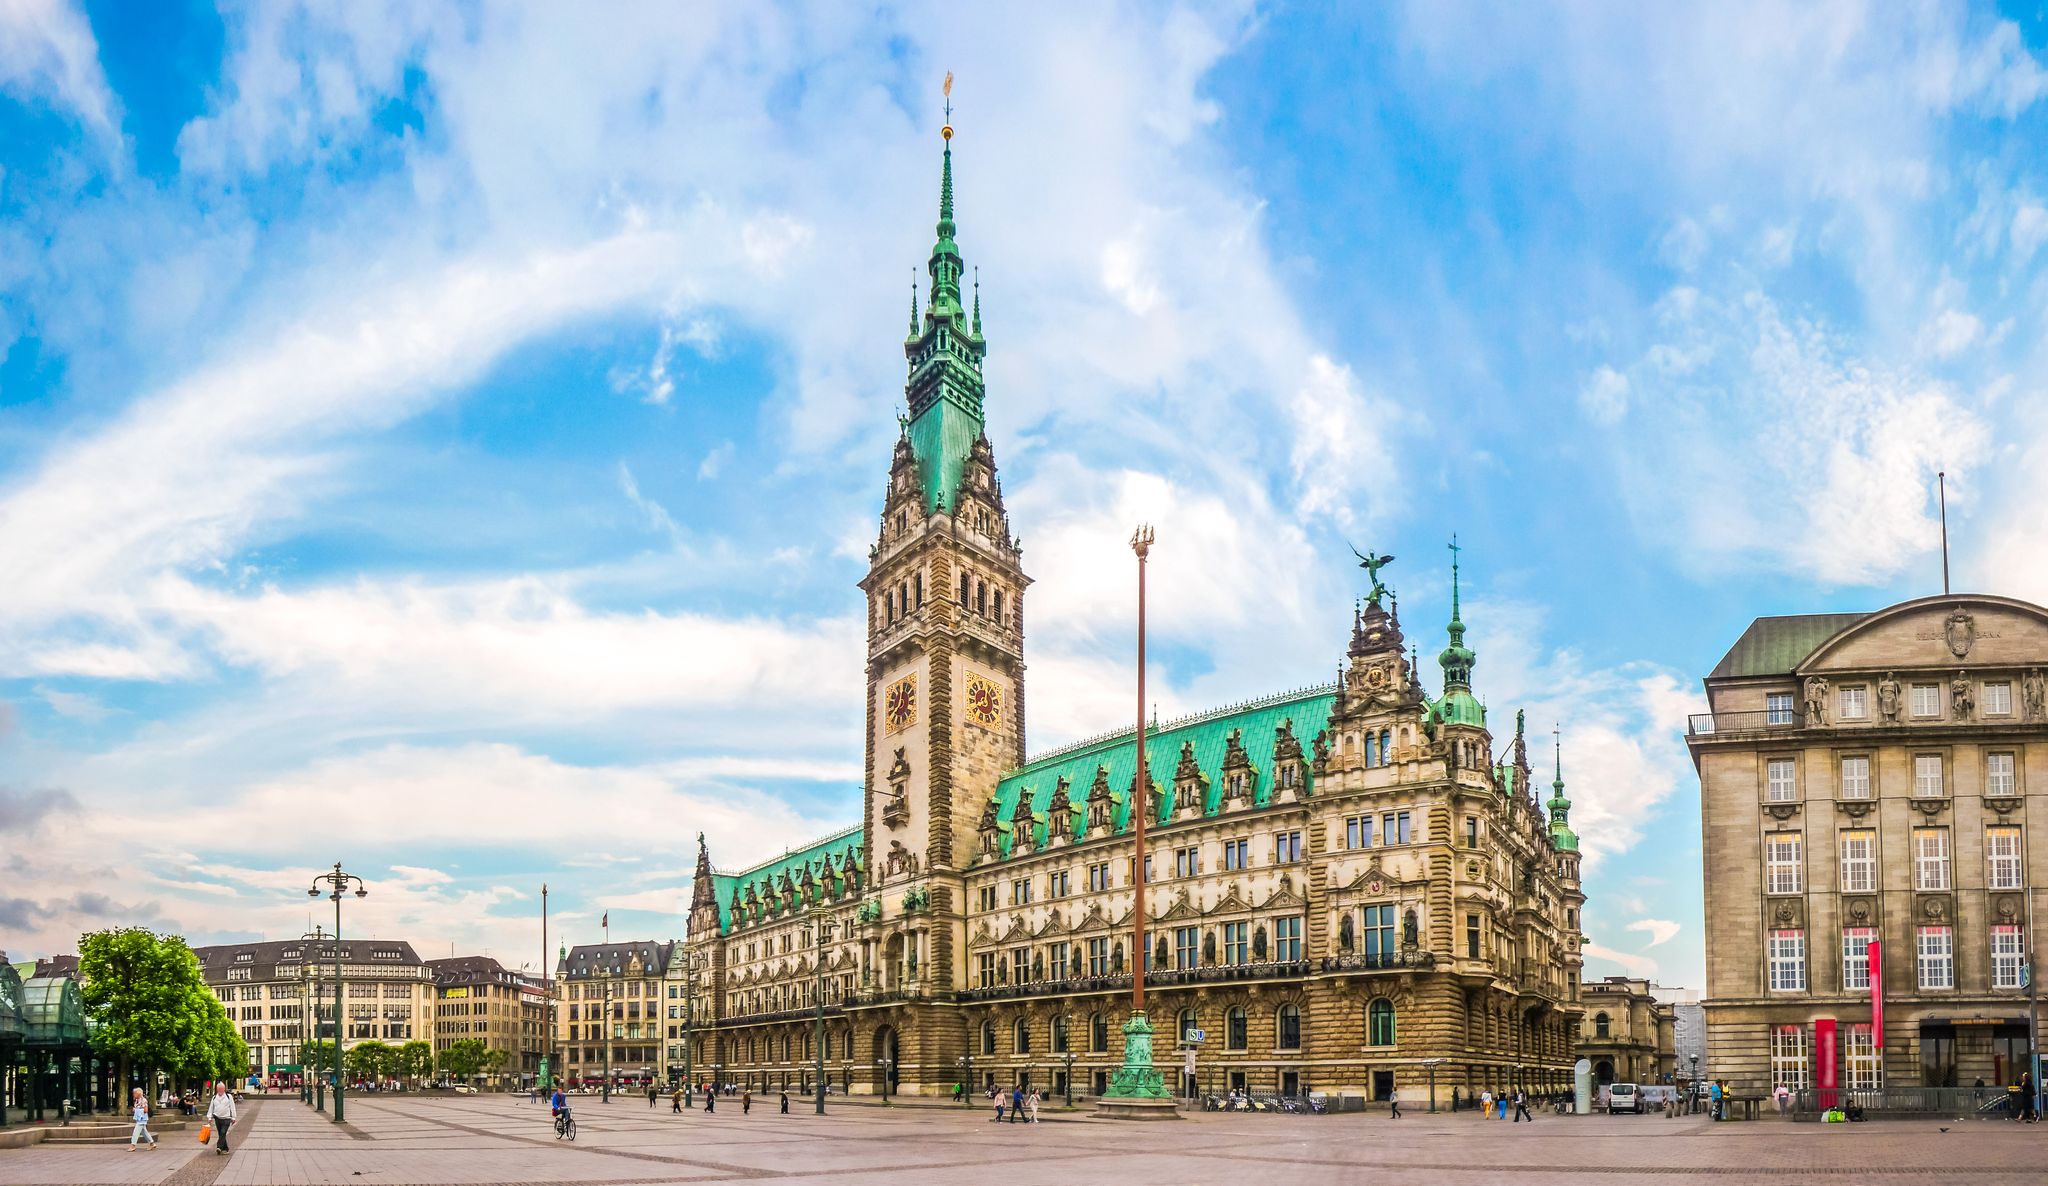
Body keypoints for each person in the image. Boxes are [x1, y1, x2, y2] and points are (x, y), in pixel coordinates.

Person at [207, 1082, 238, 1155]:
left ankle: (219, 1147)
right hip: (217, 1118)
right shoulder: (214, 1097)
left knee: (223, 1132)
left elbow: (232, 1107)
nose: (220, 1090)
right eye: (219, 1089)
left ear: (224, 1089)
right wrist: (209, 1117)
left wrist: (233, 1117)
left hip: (226, 1118)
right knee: (221, 1134)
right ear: (217, 1089)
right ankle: (225, 1148)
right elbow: (211, 1107)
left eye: (222, 1089)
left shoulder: (228, 1096)